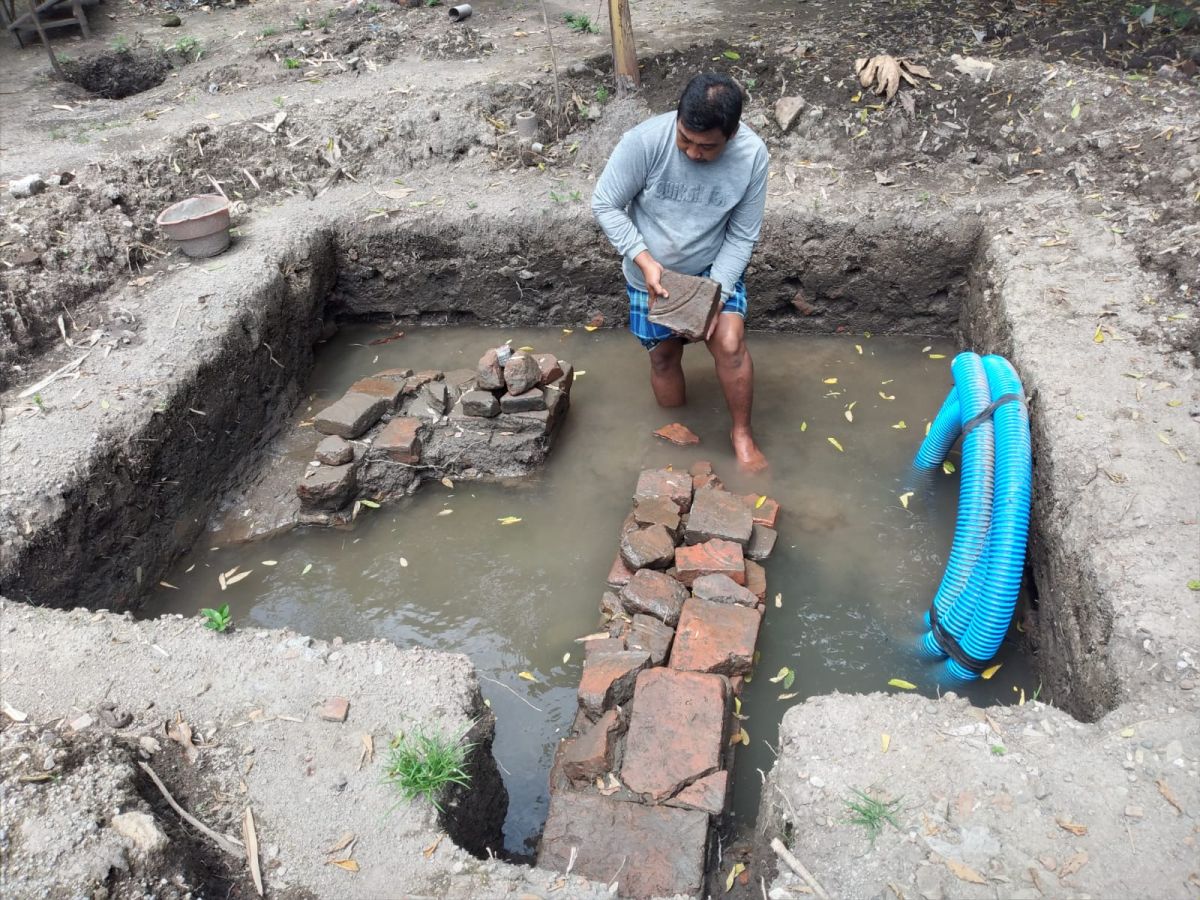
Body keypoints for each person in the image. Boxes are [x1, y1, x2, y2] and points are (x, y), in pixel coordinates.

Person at [592, 71, 769, 472]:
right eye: (685, 139)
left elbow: (742, 236)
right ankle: (678, 431)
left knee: (728, 344)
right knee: (664, 357)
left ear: (732, 133)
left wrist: (716, 294)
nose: (692, 153)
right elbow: (605, 203)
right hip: (652, 272)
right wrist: (643, 258)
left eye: (707, 147)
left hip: (713, 267)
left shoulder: (752, 155)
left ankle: (742, 434)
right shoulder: (644, 142)